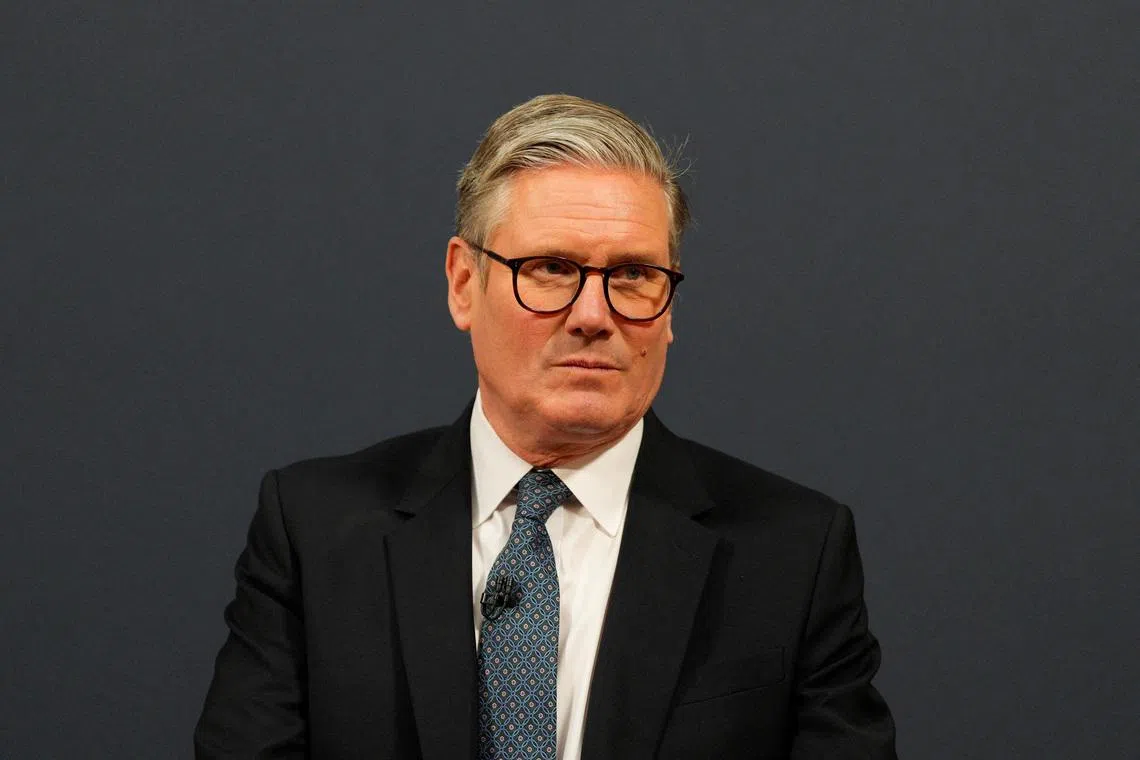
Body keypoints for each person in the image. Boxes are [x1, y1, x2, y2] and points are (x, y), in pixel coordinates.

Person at [195, 94, 897, 759]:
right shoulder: (315, 532)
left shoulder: (793, 553)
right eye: (552, 269)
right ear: (463, 283)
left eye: (632, 276)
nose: (594, 315)